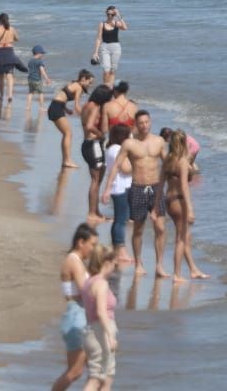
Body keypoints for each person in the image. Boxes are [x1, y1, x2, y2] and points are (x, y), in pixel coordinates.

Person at [113, 110, 168, 278]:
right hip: (138, 188)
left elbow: (167, 164)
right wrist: (108, 187)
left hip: (156, 188)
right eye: (141, 123)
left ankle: (159, 265)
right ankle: (138, 263)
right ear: (136, 125)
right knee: (138, 229)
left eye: (146, 122)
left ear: (150, 122)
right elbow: (117, 165)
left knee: (160, 228)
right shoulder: (129, 144)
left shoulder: (159, 141)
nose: (144, 125)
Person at [52, 222, 98, 391]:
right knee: (76, 371)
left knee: (95, 370)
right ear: (81, 242)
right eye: (92, 244)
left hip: (77, 316)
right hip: (77, 318)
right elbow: (85, 291)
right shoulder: (73, 261)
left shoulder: (76, 261)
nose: (94, 249)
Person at [163, 129, 207, 281]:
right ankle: (176, 274)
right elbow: (184, 186)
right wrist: (190, 209)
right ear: (182, 143)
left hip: (168, 200)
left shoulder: (168, 159)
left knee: (184, 236)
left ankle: (193, 269)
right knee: (181, 239)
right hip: (179, 201)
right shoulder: (182, 162)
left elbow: (160, 183)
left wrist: (156, 205)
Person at [81, 245, 120, 391]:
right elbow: (101, 312)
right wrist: (110, 336)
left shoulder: (88, 282)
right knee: (99, 379)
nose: (115, 269)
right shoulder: (102, 284)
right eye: (114, 265)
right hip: (101, 334)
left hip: (90, 332)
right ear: (107, 264)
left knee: (102, 378)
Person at [100, 124, 134, 266]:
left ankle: (117, 248)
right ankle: (121, 251)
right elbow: (126, 168)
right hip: (120, 187)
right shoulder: (118, 149)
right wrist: (136, 163)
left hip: (118, 186)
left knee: (120, 219)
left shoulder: (111, 148)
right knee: (121, 220)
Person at [49, 69, 95, 170]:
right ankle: (67, 160)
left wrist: (66, 109)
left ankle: (65, 160)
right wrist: (86, 118)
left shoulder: (73, 84)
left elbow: (61, 97)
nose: (90, 85)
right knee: (68, 134)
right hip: (56, 107)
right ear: (83, 79)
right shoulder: (78, 87)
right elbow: (77, 106)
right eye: (90, 82)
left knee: (67, 134)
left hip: (56, 106)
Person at [80, 85, 113, 222]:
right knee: (96, 180)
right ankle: (92, 213)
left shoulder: (87, 105)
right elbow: (89, 125)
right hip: (93, 145)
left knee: (97, 180)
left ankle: (96, 211)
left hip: (88, 144)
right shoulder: (95, 107)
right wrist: (101, 135)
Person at [91, 6, 127, 87]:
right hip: (105, 47)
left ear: (114, 15)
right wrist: (96, 52)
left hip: (116, 48)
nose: (110, 16)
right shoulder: (102, 24)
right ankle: (105, 88)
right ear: (106, 13)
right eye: (108, 14)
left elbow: (125, 28)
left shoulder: (116, 23)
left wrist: (119, 15)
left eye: (112, 14)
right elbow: (98, 39)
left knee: (113, 70)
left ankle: (111, 88)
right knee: (106, 69)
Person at [25, 45, 54, 117]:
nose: (43, 55)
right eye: (42, 53)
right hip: (37, 80)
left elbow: (30, 69)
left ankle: (28, 107)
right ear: (38, 53)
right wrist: (47, 79)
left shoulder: (30, 61)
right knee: (41, 93)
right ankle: (42, 107)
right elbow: (42, 70)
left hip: (30, 79)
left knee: (30, 93)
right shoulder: (39, 61)